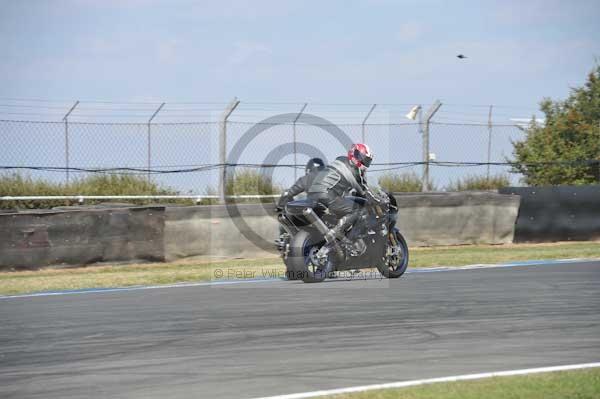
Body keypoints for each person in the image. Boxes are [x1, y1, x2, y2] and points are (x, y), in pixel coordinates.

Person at [307, 143, 373, 245]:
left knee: (341, 208)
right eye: (362, 158)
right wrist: (377, 198)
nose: (364, 162)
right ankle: (336, 232)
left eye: (366, 160)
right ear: (354, 154)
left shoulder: (339, 162)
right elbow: (364, 191)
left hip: (312, 194)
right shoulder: (353, 170)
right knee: (358, 209)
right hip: (327, 195)